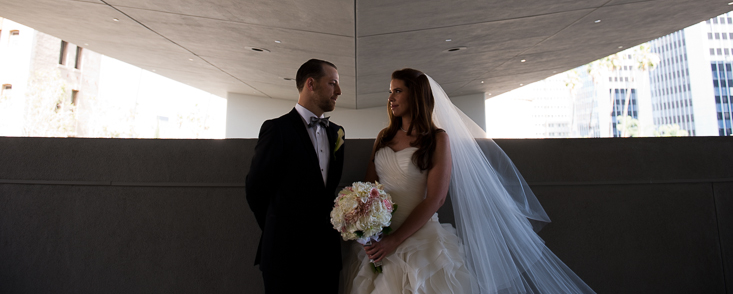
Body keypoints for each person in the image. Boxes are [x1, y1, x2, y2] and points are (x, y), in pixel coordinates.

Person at [343, 68, 596, 294]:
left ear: (416, 95)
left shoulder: (437, 139)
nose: (390, 98)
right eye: (390, 92)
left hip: (420, 242)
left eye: (397, 91)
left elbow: (437, 198)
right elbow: (368, 191)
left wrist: (394, 241)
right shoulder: (384, 137)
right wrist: (367, 231)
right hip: (380, 243)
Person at [246, 59, 346, 294]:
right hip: (284, 257)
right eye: (332, 84)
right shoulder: (277, 129)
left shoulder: (337, 133)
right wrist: (279, 229)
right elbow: (255, 190)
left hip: (326, 258)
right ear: (311, 84)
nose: (339, 92)